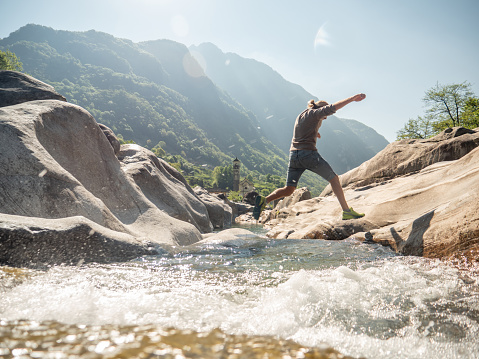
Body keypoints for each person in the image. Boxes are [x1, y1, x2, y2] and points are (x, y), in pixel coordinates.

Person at [253, 93, 367, 220]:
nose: (325, 118)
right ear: (320, 110)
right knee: (334, 179)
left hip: (294, 156)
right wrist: (352, 98)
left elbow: (302, 128)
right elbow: (333, 107)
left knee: (289, 189)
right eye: (324, 117)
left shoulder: (303, 115)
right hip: (308, 155)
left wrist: (315, 133)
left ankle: (264, 200)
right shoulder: (315, 113)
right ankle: (346, 211)